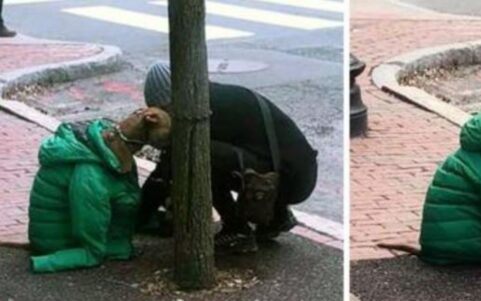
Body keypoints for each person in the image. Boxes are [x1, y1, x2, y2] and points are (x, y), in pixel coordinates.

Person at [139, 62, 318, 252]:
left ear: (172, 100)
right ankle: (276, 217)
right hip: (299, 174)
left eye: (163, 110)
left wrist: (138, 216)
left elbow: (168, 167)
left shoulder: (200, 113)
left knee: (194, 155)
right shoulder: (214, 95)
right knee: (221, 154)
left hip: (289, 182)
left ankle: (237, 230)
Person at [27, 108, 172, 273]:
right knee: (93, 251)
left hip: (68, 229)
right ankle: (77, 255)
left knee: (123, 198)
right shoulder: (90, 169)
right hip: (54, 242)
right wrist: (93, 249)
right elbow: (89, 216)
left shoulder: (104, 143)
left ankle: (114, 245)